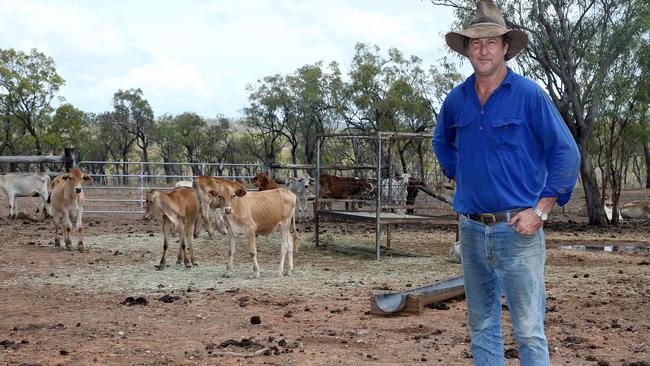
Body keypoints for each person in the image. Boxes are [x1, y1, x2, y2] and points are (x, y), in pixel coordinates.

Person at [431, 1, 580, 365]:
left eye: (491, 42)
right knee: (482, 326)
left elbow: (566, 153)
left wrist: (541, 211)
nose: (483, 50)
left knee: (528, 330)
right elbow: (441, 141)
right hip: (471, 229)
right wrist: (459, 173)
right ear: (466, 50)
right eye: (475, 43)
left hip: (518, 231)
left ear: (505, 48)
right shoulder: (457, 99)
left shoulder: (529, 96)